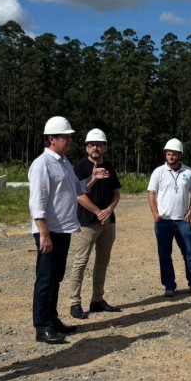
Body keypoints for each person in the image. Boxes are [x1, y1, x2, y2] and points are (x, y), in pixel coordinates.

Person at [28, 116, 109, 344]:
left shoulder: (63, 162)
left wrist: (92, 179)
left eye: (71, 136)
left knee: (56, 278)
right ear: (52, 139)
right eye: (66, 137)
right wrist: (43, 232)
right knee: (45, 279)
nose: (70, 140)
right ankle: (42, 326)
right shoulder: (42, 164)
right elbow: (38, 201)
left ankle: (53, 321)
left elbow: (77, 188)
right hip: (49, 231)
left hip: (63, 229)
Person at [68, 128, 123, 319]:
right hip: (87, 222)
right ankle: (75, 302)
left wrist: (109, 210)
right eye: (91, 145)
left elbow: (116, 193)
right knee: (80, 262)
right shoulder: (79, 168)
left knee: (102, 262)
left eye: (99, 144)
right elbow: (78, 195)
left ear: (105, 147)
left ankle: (97, 300)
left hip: (108, 222)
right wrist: (98, 212)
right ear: (86, 148)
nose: (95, 148)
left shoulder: (109, 167)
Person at [147, 138, 191, 297]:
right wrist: (155, 214)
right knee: (164, 255)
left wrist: (190, 211)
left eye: (174, 154)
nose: (171, 157)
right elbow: (152, 193)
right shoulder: (159, 172)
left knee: (189, 253)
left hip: (183, 221)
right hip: (163, 221)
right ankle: (169, 285)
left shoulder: (189, 172)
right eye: (168, 154)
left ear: (180, 155)